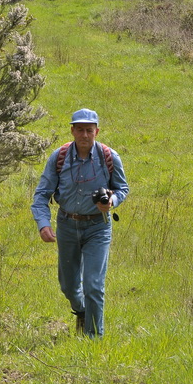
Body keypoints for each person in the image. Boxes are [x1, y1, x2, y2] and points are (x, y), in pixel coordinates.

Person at [31, 108, 129, 337]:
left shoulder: (109, 156)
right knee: (68, 285)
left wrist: (112, 201)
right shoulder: (59, 157)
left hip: (98, 226)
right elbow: (42, 194)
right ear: (72, 130)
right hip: (67, 225)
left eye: (89, 130)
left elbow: (122, 188)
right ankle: (82, 311)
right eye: (80, 130)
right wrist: (43, 224)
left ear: (97, 131)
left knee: (93, 285)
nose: (85, 135)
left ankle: (93, 339)